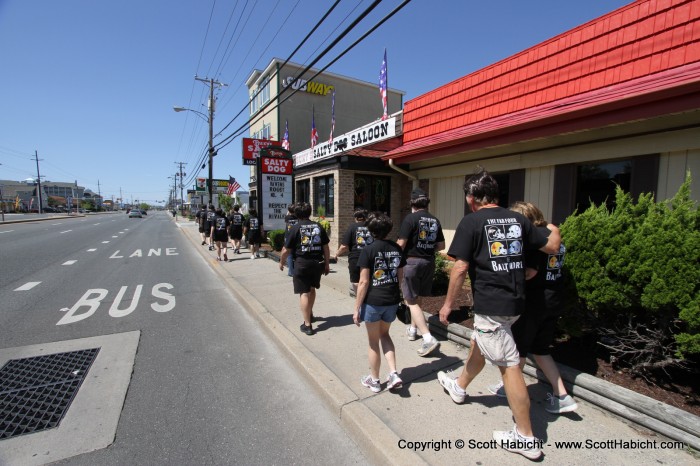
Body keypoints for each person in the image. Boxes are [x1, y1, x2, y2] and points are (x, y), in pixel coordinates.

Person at [436, 170, 561, 461]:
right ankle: (459, 386)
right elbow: (552, 244)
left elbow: (460, 267)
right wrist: (552, 226)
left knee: (509, 365)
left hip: (493, 306)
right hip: (516, 304)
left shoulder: (471, 221)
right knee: (482, 342)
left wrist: (447, 305)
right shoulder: (518, 219)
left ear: (471, 198)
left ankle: (526, 437)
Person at [486, 201, 578, 414]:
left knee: (517, 350)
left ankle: (510, 389)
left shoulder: (534, 240)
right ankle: (562, 395)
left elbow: (530, 272)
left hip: (535, 302)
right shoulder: (552, 232)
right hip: (554, 299)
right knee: (540, 349)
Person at [354, 211, 405, 393]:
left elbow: (364, 282)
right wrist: (397, 295)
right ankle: (393, 373)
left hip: (373, 302)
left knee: (373, 341)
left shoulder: (368, 250)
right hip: (391, 300)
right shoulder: (397, 248)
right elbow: (401, 277)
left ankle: (375, 381)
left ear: (370, 230)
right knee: (385, 335)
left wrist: (357, 307)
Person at [397, 188, 445, 357]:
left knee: (410, 299)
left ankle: (427, 337)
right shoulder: (435, 220)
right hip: (428, 262)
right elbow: (441, 246)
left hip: (412, 262)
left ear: (412, 203)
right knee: (418, 297)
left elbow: (401, 243)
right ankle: (412, 329)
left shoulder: (410, 218)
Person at [279, 202, 330, 336]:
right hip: (317, 263)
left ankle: (307, 324)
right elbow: (326, 247)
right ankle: (310, 314)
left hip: (302, 263)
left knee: (304, 292)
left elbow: (286, 250)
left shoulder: (295, 228)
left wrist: (281, 262)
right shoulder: (318, 226)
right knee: (312, 289)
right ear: (310, 212)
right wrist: (327, 264)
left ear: (296, 214)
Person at [335, 208, 371, 297]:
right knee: (369, 278)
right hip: (371, 256)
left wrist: (336, 254)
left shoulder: (353, 227)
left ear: (356, 217)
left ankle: (360, 298)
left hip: (356, 257)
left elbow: (344, 246)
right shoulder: (372, 227)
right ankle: (367, 297)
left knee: (356, 281)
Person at [283, 204, 298, 277]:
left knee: (289, 254)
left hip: (288, 236)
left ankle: (290, 271)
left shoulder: (287, 217)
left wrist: (288, 212)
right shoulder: (298, 217)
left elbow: (287, 215)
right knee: (296, 253)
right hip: (296, 237)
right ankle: (295, 270)